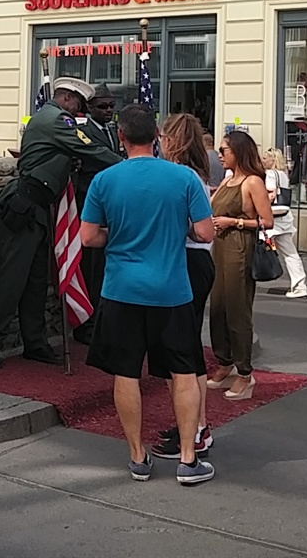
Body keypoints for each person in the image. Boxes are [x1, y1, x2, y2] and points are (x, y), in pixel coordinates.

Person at [80, 105, 216, 485]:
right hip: (171, 290)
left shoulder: (105, 180)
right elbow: (205, 233)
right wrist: (178, 231)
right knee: (184, 371)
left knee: (126, 373)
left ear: (120, 137)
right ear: (156, 135)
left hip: (122, 288)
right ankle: (188, 459)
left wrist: (119, 236)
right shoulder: (183, 178)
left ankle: (138, 455)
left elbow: (89, 237)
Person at [0, 77, 122, 369]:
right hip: (27, 207)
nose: (78, 114)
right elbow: (91, 149)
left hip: (41, 208)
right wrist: (129, 163)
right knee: (13, 279)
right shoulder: (58, 121)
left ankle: (35, 343)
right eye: (78, 107)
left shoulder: (51, 118)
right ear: (68, 98)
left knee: (35, 281)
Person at [152, 113, 218, 462]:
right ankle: (192, 424)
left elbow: (200, 227)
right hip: (194, 262)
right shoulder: (194, 174)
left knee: (182, 350)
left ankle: (195, 428)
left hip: (188, 261)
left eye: (163, 136)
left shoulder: (184, 176)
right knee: (184, 346)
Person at [207, 130, 274, 399]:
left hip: (239, 247)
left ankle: (245, 372)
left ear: (238, 152)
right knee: (218, 308)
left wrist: (233, 222)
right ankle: (225, 362)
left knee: (237, 310)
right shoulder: (227, 181)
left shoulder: (252, 182)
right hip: (220, 247)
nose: (220, 155)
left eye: (224, 150)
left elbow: (267, 222)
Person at [72, 83, 119, 345]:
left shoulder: (112, 132)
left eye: (112, 106)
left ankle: (103, 320)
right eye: (102, 106)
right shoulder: (83, 132)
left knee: (105, 268)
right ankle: (86, 325)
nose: (108, 111)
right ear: (89, 108)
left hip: (110, 206)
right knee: (90, 268)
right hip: (91, 204)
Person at [262, 147, 307, 299]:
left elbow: (271, 193)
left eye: (265, 158)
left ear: (272, 160)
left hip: (273, 217)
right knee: (290, 253)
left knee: (257, 248)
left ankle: (252, 276)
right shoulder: (283, 175)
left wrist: (260, 206)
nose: (263, 160)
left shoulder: (269, 174)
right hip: (284, 216)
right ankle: (300, 284)